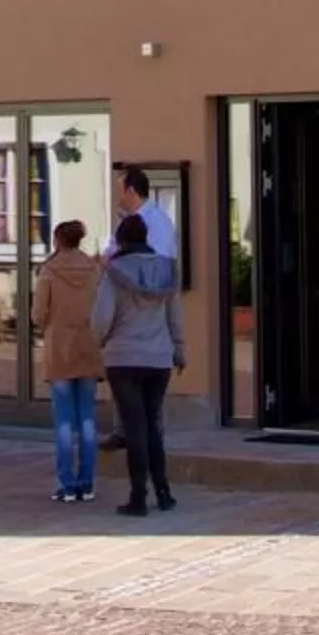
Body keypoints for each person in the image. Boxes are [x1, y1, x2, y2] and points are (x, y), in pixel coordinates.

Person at [91, 212, 184, 517]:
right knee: (153, 424)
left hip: (123, 357)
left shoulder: (114, 272)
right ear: (145, 237)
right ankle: (164, 492)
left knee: (134, 428)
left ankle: (138, 497)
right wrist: (178, 348)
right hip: (158, 357)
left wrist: (101, 339)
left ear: (121, 239)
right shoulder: (166, 270)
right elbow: (174, 315)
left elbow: (102, 317)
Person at [99, 166, 177, 451]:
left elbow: (155, 264)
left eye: (120, 189)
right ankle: (124, 432)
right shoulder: (126, 221)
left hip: (146, 308)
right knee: (127, 385)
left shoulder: (157, 222)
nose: (118, 196)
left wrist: (116, 266)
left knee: (148, 399)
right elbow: (113, 252)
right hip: (126, 310)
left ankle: (150, 449)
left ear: (131, 190)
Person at [30, 218, 104, 503]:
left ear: (57, 240)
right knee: (86, 416)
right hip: (87, 345)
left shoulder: (49, 270)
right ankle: (87, 483)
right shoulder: (93, 269)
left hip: (59, 347)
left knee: (63, 419)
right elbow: (102, 306)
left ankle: (66, 483)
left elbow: (38, 313)